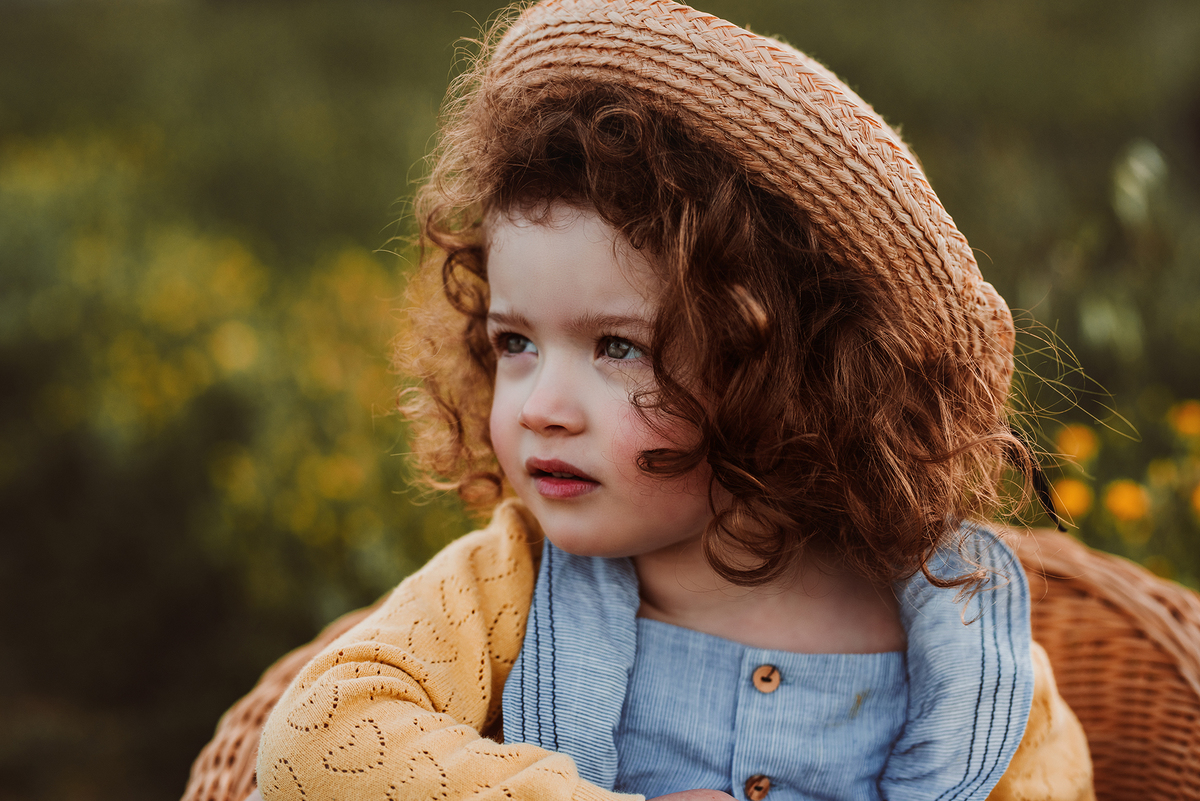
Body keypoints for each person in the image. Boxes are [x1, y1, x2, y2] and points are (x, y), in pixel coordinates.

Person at [254, 1, 1095, 799]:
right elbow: (314, 745)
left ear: (789, 374)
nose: (541, 405)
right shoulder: (511, 582)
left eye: (618, 348)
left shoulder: (960, 639)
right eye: (516, 342)